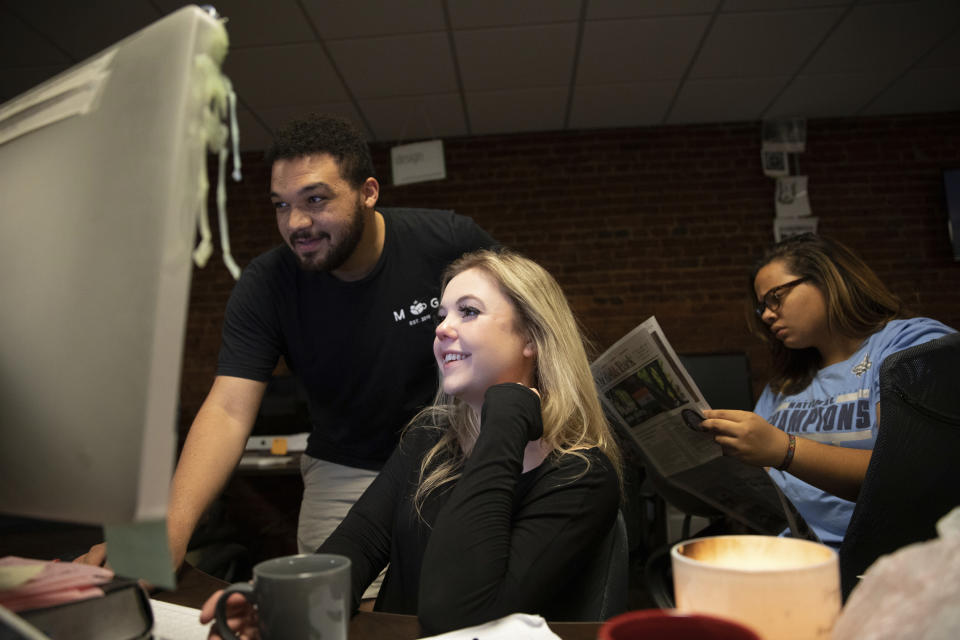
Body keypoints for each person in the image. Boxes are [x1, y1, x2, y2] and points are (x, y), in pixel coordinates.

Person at [76, 114, 496, 573]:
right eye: (281, 205)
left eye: (315, 199)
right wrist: (166, 534)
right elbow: (228, 409)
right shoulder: (267, 284)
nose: (296, 222)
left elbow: (530, 326)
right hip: (344, 468)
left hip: (457, 452)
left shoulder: (447, 243)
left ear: (368, 192)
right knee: (332, 611)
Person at [202, 249, 623, 636]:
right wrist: (282, 604)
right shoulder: (431, 437)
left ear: (531, 337)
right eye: (441, 315)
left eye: (469, 312)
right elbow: (358, 544)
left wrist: (507, 419)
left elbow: (457, 617)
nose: (442, 329)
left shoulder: (580, 475)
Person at [700, 233, 955, 547]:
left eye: (775, 297)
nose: (766, 315)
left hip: (878, 560)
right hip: (788, 550)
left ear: (825, 280)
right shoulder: (786, 383)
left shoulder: (908, 345)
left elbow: (906, 474)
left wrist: (785, 448)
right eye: (761, 307)